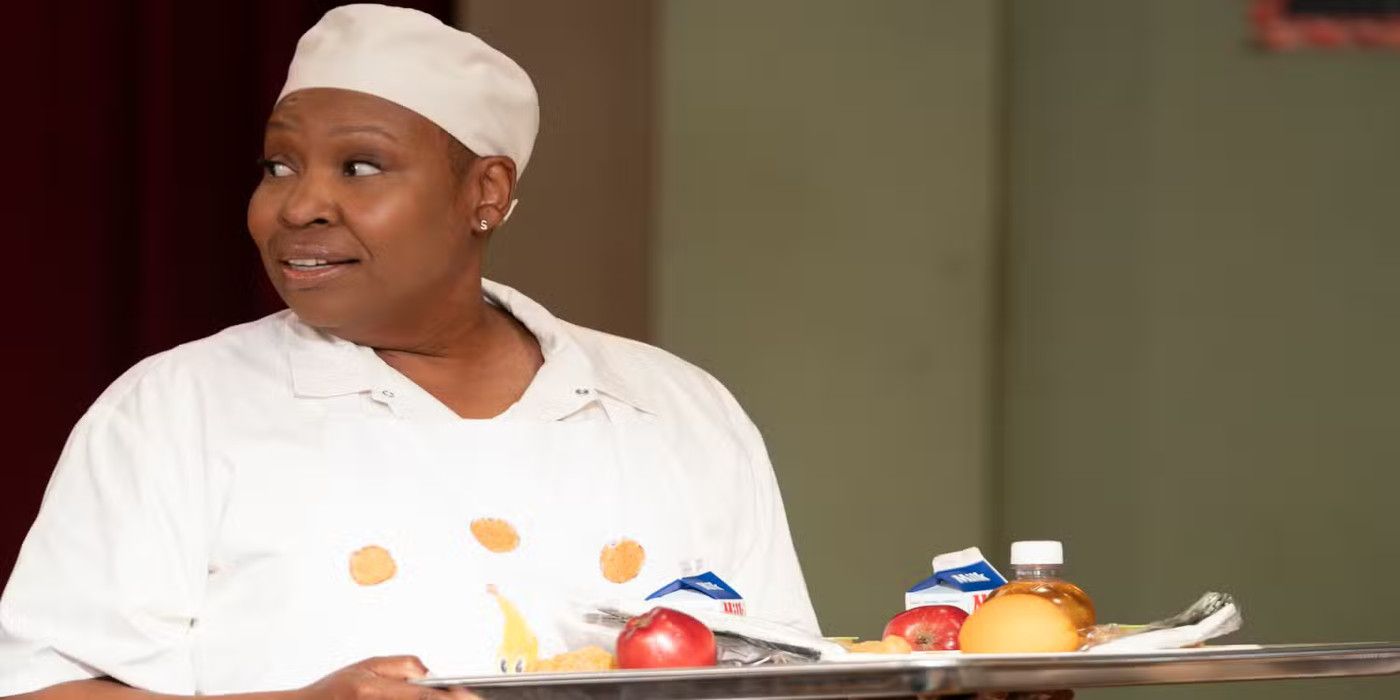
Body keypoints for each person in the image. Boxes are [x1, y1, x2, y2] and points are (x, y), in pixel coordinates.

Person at [0, 5, 817, 698]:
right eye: (278, 165)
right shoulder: (177, 411)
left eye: (360, 166)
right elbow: (40, 686)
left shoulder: (671, 411)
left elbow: (781, 676)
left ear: (484, 194)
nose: (299, 204)